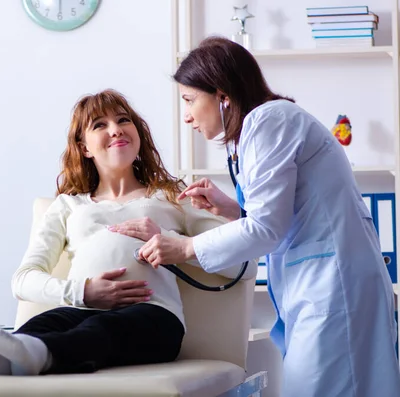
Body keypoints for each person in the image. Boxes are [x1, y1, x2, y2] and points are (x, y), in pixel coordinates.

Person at [131, 36, 400, 396]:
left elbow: (266, 229)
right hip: (323, 281)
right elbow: (285, 212)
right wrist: (231, 209)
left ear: (222, 94)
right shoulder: (262, 127)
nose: (187, 115)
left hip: (333, 286)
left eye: (190, 100)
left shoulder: (268, 121)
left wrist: (185, 247)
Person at [0, 88, 252, 376]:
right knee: (41, 326)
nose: (116, 129)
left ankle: (36, 355)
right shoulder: (68, 206)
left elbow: (241, 265)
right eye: (100, 125)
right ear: (84, 147)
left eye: (124, 120)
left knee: (99, 330)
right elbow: (22, 280)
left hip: (154, 317)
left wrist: (170, 242)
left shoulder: (175, 196)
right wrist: (83, 292)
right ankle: (10, 358)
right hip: (80, 310)